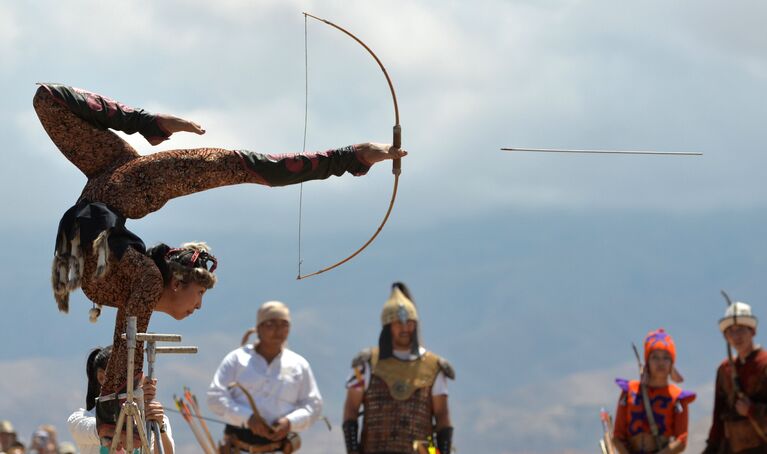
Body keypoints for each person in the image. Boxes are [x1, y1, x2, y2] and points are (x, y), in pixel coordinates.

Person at [33, 82, 404, 435]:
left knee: (141, 288)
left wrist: (146, 123)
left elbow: (47, 99)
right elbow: (258, 166)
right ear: (177, 281)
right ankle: (113, 407)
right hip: (93, 243)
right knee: (231, 175)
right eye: (200, 294)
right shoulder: (148, 182)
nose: (198, 306)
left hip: (89, 247)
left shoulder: (117, 183)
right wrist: (352, 157)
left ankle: (114, 404)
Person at [342, 282, 454, 454]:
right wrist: (353, 451)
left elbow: (442, 418)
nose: (405, 328)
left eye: (409, 323)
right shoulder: (365, 365)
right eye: (398, 323)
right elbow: (351, 410)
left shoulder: (434, 367)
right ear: (388, 326)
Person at [207, 301, 322, 453]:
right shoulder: (237, 359)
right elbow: (215, 397)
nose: (278, 330)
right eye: (271, 324)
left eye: (284, 324)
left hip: (279, 449)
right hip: (238, 448)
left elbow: (313, 405)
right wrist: (247, 418)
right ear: (259, 328)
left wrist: (289, 422)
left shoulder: (299, 365)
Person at [68, 346, 175, 454]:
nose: (133, 379)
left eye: (136, 373)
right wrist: (137, 399)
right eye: (126, 374)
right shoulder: (79, 419)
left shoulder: (156, 418)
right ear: (102, 378)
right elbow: (104, 430)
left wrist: (160, 427)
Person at [611, 329, 695, 454]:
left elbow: (681, 440)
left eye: (666, 358)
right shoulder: (629, 391)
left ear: (672, 363)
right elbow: (617, 436)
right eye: (655, 357)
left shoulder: (678, 397)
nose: (660, 363)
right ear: (647, 362)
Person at [703, 301, 767, 453]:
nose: (736, 336)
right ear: (725, 337)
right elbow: (718, 416)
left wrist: (752, 410)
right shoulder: (724, 370)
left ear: (753, 331)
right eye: (730, 331)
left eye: (741, 330)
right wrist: (711, 448)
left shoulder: (764, 364)